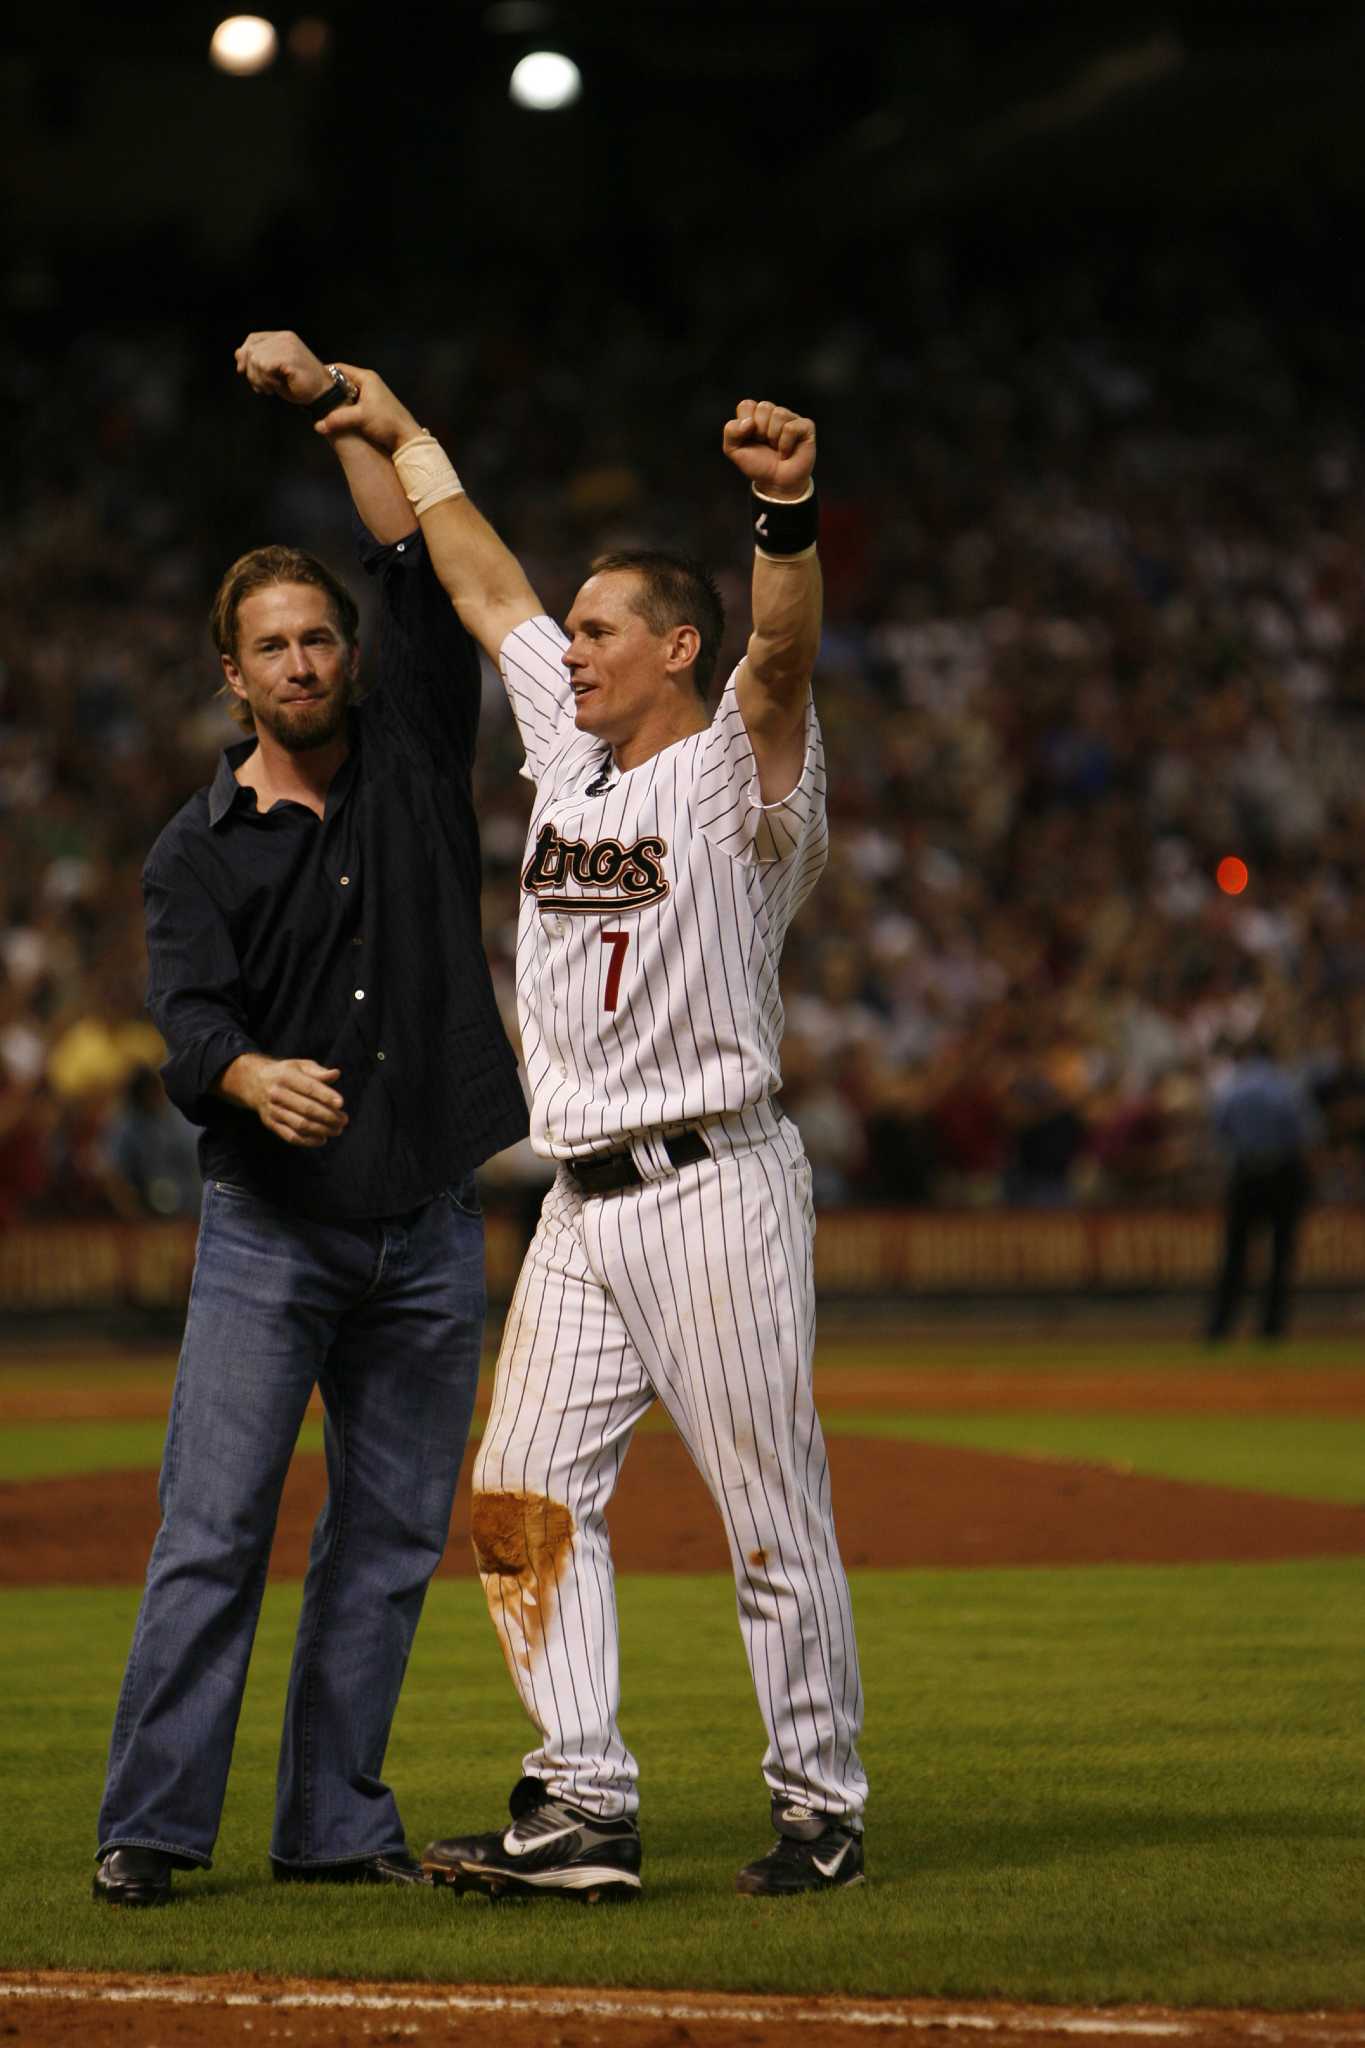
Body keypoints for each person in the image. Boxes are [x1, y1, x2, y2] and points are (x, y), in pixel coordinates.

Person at [317, 364, 868, 1898]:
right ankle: (581, 1802)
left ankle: (819, 1806)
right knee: (516, 1500)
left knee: (767, 1512)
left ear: (673, 649)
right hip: (580, 1199)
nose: (569, 646)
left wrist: (783, 508)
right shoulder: (568, 745)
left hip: (714, 1181)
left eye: (602, 627)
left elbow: (784, 650)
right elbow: (483, 579)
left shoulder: (736, 770)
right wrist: (405, 431)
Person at [92, 333, 527, 1907]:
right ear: (233, 673)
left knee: (391, 1544)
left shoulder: (417, 755)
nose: (301, 662)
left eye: (318, 638)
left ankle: (333, 1823)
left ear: (349, 655)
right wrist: (241, 1076)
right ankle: (150, 1828)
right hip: (268, 1227)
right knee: (212, 1534)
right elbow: (187, 1022)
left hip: (423, 1216)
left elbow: (412, 557)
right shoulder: (192, 852)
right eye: (269, 645)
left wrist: (346, 403)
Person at [1206, 1036, 1314, 1342]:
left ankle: (1220, 1327)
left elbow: (1219, 1133)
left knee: (1235, 1255)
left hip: (1245, 1174)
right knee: (1281, 1256)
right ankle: (1271, 1328)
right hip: (1282, 1173)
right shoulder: (1286, 1086)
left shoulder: (1234, 1088)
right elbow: (1304, 1135)